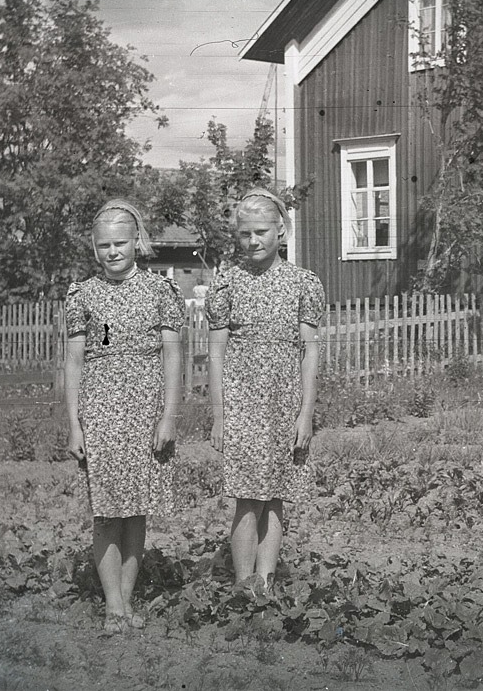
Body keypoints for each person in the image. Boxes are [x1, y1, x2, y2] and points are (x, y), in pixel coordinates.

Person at [64, 199, 184, 634]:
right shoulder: (83, 294)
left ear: (137, 241)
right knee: (107, 511)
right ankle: (113, 605)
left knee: (137, 511)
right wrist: (75, 423)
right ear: (94, 248)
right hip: (100, 414)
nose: (112, 252)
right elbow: (74, 362)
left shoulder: (160, 292)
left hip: (146, 411)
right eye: (103, 246)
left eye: (120, 243)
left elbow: (173, 354)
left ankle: (127, 601)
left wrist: (168, 416)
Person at [206, 188, 325, 588]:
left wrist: (305, 414)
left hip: (285, 403)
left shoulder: (302, 284)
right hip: (242, 404)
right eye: (245, 234)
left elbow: (310, 353)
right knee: (246, 496)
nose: (253, 241)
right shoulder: (228, 284)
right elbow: (216, 353)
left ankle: (266, 583)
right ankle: (243, 584)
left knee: (276, 493)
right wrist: (220, 415)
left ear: (282, 232)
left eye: (261, 232)